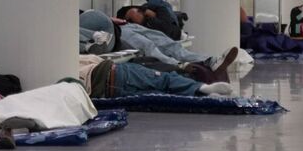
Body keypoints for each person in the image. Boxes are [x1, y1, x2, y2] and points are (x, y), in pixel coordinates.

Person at [80, 9, 238, 70]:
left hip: (121, 27)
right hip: (115, 36)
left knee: (166, 42)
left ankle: (210, 60)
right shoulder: (69, 26)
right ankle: (179, 67)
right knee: (148, 46)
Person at [79, 55, 233, 98]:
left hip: (110, 92)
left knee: (162, 95)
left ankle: (203, 94)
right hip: (115, 73)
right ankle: (203, 88)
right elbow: (95, 60)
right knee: (164, 79)